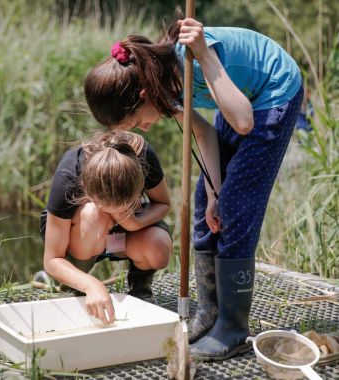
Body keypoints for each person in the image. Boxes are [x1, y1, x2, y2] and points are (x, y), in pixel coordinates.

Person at [83, 16, 303, 360]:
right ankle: (210, 314)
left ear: (143, 95)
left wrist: (204, 52)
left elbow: (244, 122)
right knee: (206, 200)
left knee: (236, 206)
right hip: (239, 96)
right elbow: (205, 134)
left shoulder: (191, 59)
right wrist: (214, 190)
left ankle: (232, 326)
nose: (145, 128)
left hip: (273, 93)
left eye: (137, 121)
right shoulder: (164, 85)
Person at [40, 130, 172, 325]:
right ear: (86, 187)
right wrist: (91, 284)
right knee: (95, 216)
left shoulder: (143, 157)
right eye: (110, 209)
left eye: (124, 208)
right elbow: (52, 259)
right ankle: (76, 284)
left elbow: (164, 204)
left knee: (158, 247)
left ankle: (140, 288)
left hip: (124, 236)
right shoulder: (69, 175)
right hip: (82, 234)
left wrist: (133, 221)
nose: (115, 216)